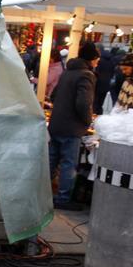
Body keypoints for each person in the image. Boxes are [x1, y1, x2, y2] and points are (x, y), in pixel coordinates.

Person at [47, 41, 100, 211]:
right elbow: (83, 103)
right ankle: (63, 198)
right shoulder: (86, 75)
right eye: (96, 60)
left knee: (51, 161)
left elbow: (54, 96)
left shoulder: (67, 72)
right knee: (68, 163)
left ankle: (41, 193)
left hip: (56, 124)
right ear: (92, 59)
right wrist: (87, 121)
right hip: (71, 127)